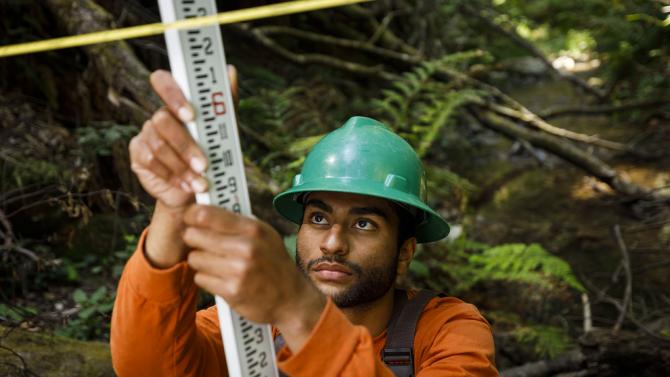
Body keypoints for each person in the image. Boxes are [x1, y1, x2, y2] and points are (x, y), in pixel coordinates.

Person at [110, 68, 498, 376]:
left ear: (405, 252)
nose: (332, 244)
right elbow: (148, 367)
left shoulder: (448, 331)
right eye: (318, 217)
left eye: (364, 224)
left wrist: (298, 311)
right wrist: (175, 204)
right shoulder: (250, 326)